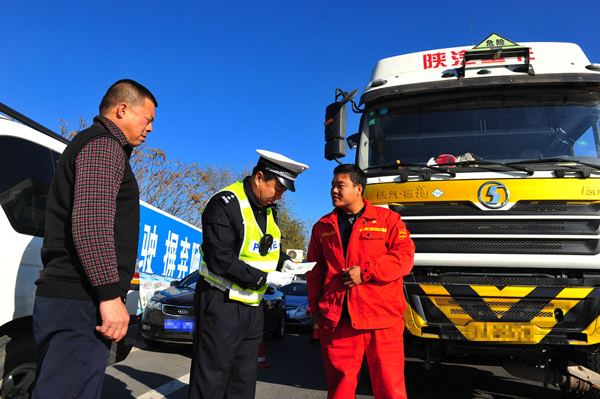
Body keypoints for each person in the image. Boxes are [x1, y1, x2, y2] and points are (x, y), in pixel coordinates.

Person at [32, 79, 157, 399]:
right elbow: (91, 223)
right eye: (148, 119)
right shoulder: (104, 145)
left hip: (72, 300)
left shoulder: (94, 144)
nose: (150, 128)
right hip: (81, 301)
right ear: (123, 109)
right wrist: (108, 296)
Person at [188, 149, 308, 399]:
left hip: (252, 306)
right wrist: (264, 279)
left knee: (243, 379)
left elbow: (268, 249)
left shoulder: (270, 209)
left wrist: (284, 262)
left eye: (284, 192)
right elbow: (219, 258)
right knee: (211, 377)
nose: (280, 196)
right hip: (220, 303)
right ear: (259, 177)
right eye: (278, 188)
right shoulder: (225, 203)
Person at [306, 164, 415, 399]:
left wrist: (365, 272)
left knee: (390, 389)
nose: (334, 190)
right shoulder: (322, 227)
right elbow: (314, 271)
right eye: (333, 186)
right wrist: (315, 307)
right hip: (339, 321)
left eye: (340, 185)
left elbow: (404, 259)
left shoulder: (389, 220)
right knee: (340, 391)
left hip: (382, 321)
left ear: (358, 189)